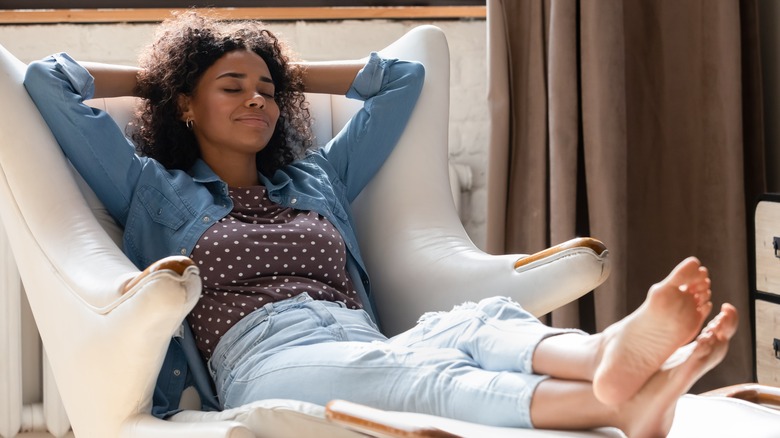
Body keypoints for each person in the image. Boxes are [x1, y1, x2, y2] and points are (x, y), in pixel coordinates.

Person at [23, 11, 738, 436]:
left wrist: (285, 71)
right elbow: (46, 84)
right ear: (186, 105)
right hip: (264, 358)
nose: (257, 100)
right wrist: (162, 80)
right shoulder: (154, 191)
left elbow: (402, 80)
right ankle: (608, 401)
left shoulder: (316, 177)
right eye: (231, 88)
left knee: (479, 320)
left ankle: (607, 359)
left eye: (268, 90)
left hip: (358, 332)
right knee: (418, 379)